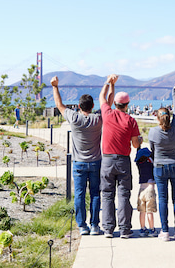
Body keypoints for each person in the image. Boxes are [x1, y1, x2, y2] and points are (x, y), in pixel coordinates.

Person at [51, 76, 103, 236]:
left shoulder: (74, 117)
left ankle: (82, 226)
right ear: (93, 106)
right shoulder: (98, 118)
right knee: (95, 193)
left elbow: (59, 105)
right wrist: (109, 85)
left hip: (79, 163)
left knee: (80, 194)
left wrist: (55, 87)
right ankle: (94, 225)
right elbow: (107, 103)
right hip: (95, 162)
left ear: (79, 106)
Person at [99, 74, 142, 239]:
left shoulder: (107, 114)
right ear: (127, 104)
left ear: (115, 104)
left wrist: (108, 83)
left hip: (107, 160)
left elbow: (102, 97)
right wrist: (140, 140)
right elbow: (135, 145)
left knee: (107, 194)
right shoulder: (131, 121)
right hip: (123, 160)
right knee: (124, 194)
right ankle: (125, 229)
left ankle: (108, 229)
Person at [148, 81, 175, 241]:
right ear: (169, 118)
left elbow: (152, 150)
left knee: (163, 199)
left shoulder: (152, 132)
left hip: (160, 167)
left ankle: (165, 231)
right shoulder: (174, 126)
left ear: (157, 118)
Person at [134, 147, 157, 237]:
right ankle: (152, 229)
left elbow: (138, 155)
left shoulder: (139, 164)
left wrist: (139, 146)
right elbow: (154, 156)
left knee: (142, 211)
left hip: (141, 190)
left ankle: (142, 229)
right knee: (149, 212)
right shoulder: (151, 162)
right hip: (150, 190)